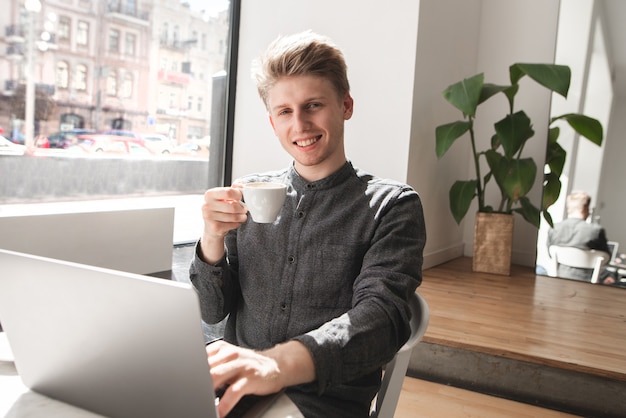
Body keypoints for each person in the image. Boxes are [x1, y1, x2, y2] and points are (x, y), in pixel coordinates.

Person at [189, 31, 426, 418]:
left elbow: (382, 319)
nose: (299, 124)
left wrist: (275, 365)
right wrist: (211, 239)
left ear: (346, 105)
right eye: (284, 111)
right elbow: (213, 312)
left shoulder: (393, 206)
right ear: (272, 121)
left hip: (321, 400)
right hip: (231, 384)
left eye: (313, 105)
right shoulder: (248, 192)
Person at [547, 190, 611, 282]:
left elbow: (550, 254)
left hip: (558, 279)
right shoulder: (596, 231)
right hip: (587, 282)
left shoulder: (554, 228)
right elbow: (606, 258)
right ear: (586, 208)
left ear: (568, 208)